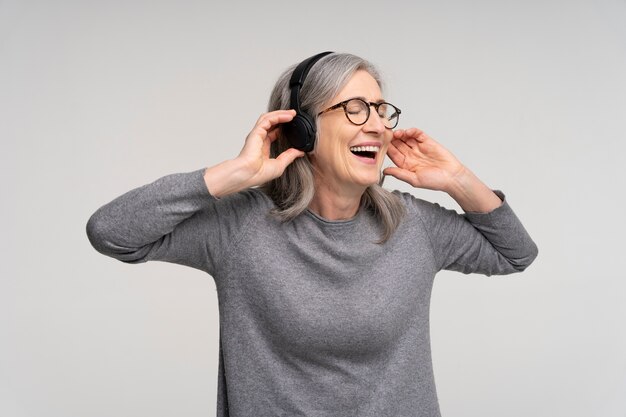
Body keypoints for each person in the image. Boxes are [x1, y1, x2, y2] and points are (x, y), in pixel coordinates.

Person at [86, 52, 538, 417]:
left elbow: (516, 254)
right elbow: (111, 232)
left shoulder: (412, 225)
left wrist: (457, 178)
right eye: (356, 109)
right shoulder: (239, 227)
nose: (378, 125)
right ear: (302, 129)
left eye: (382, 110)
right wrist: (233, 174)